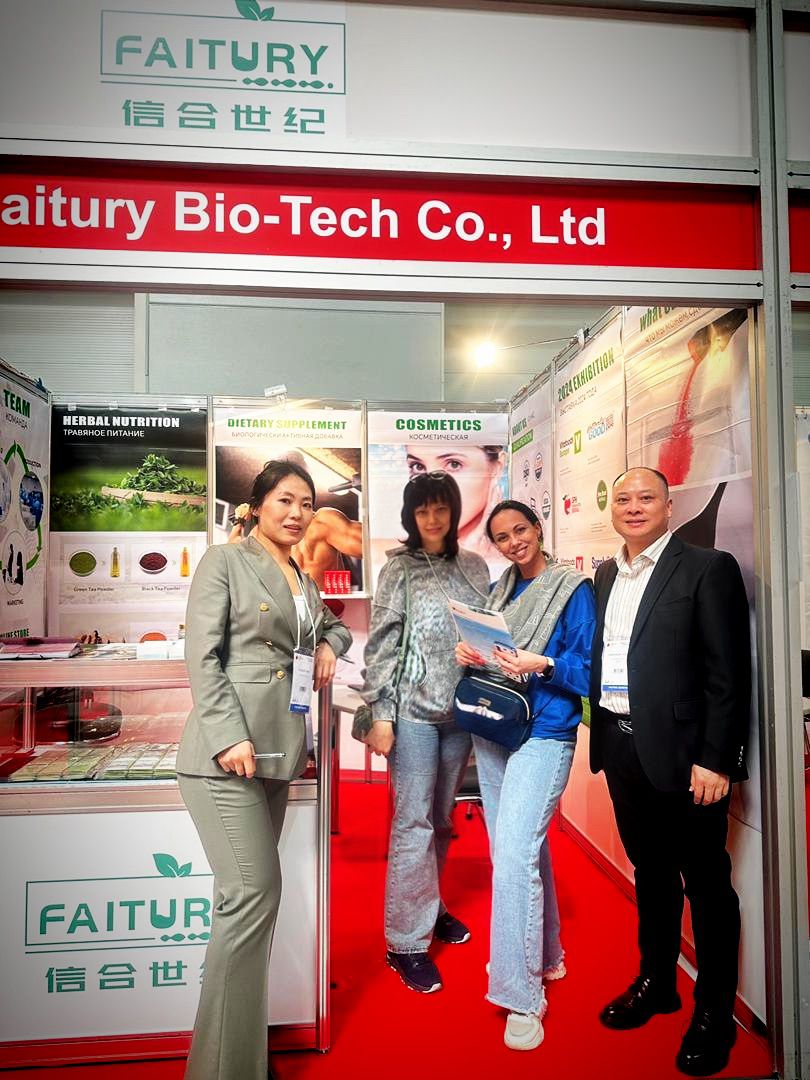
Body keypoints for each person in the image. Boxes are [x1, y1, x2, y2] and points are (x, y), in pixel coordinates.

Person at [176, 460, 352, 1080]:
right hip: (228, 756)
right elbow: (202, 656)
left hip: (279, 753)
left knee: (248, 906)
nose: (297, 513)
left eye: (306, 503)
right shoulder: (225, 561)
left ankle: (240, 1059)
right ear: (256, 506)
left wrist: (329, 644)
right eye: (284, 500)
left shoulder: (300, 575)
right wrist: (228, 735)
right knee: (251, 898)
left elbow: (332, 627)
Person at [589, 466, 750, 1078]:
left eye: (646, 498)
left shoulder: (706, 567)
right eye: (623, 498)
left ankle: (714, 1014)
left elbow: (727, 674)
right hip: (621, 747)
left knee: (707, 885)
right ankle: (657, 982)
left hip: (687, 757)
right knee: (651, 874)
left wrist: (717, 757)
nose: (633, 507)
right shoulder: (606, 574)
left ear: (668, 505)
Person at [455, 499, 595, 1052]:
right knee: (520, 851)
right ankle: (548, 953)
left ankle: (520, 994)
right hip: (496, 726)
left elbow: (589, 669)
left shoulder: (572, 589)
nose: (514, 542)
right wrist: (470, 655)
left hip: (546, 730)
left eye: (521, 530)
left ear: (538, 528)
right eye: (503, 536)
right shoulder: (499, 592)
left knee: (513, 856)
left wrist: (545, 664)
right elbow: (490, 654)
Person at [360, 471, 490, 994]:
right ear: (410, 517)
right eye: (422, 510)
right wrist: (380, 713)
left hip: (459, 712)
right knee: (412, 821)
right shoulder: (400, 569)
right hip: (412, 713)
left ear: (454, 512)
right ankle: (405, 941)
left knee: (440, 819)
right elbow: (381, 644)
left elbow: (486, 632)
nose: (432, 518)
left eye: (440, 508)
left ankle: (429, 908)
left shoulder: (475, 566)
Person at [405, 443, 506, 558]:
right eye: (418, 467)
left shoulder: (510, 554)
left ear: (497, 467)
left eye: (454, 464)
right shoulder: (396, 559)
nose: (431, 489)